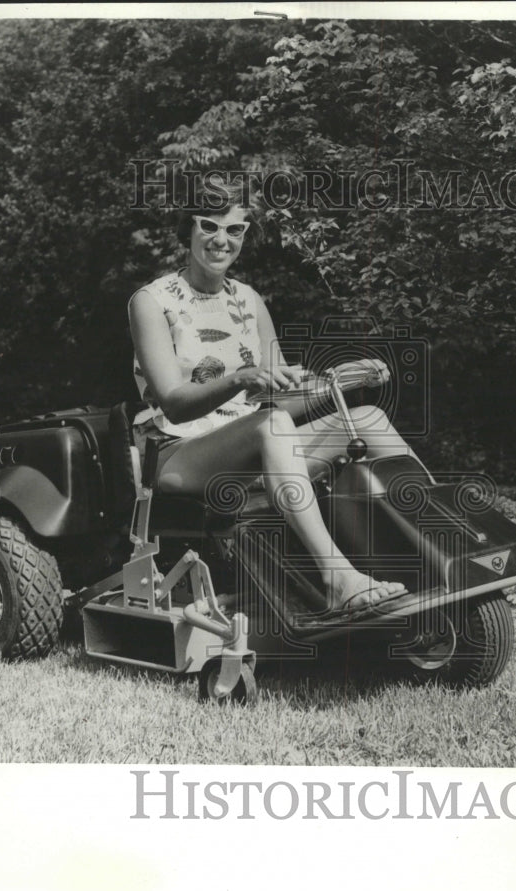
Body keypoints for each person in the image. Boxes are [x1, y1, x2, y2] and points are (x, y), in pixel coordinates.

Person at [128, 180, 409, 613]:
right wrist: (242, 378)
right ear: (187, 229)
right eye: (209, 226)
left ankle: (441, 542)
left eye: (235, 230)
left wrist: (338, 382)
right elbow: (174, 403)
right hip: (175, 454)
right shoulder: (151, 301)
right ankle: (338, 579)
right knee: (273, 426)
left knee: (368, 417)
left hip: (253, 443)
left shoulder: (249, 300)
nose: (222, 240)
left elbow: (279, 396)